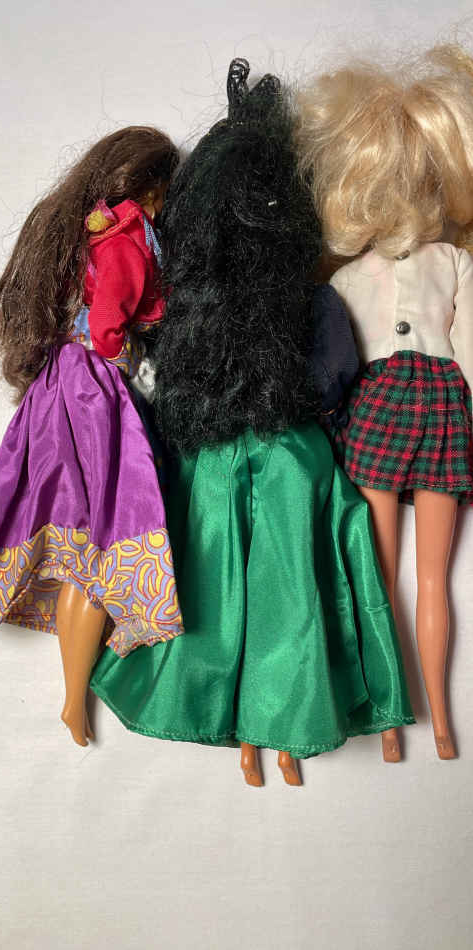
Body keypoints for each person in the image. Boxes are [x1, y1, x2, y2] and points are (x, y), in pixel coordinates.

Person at [89, 60, 414, 786]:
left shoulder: (186, 304)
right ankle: (285, 725)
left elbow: (160, 380)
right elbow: (335, 375)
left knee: (211, 579)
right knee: (294, 583)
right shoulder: (312, 300)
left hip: (209, 455)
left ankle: (234, 720)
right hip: (292, 452)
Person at [0, 127, 184, 747]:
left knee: (86, 545)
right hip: (95, 391)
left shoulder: (86, 227)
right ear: (149, 186)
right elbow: (106, 329)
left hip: (65, 382)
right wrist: (133, 358)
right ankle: (76, 697)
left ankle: (76, 695)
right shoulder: (126, 235)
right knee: (97, 545)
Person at [298, 44, 473, 760]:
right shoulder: (352, 277)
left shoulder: (445, 261)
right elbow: (335, 367)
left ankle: (426, 718)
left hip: (417, 411)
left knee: (417, 577)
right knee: (391, 576)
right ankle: (403, 718)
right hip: (401, 409)